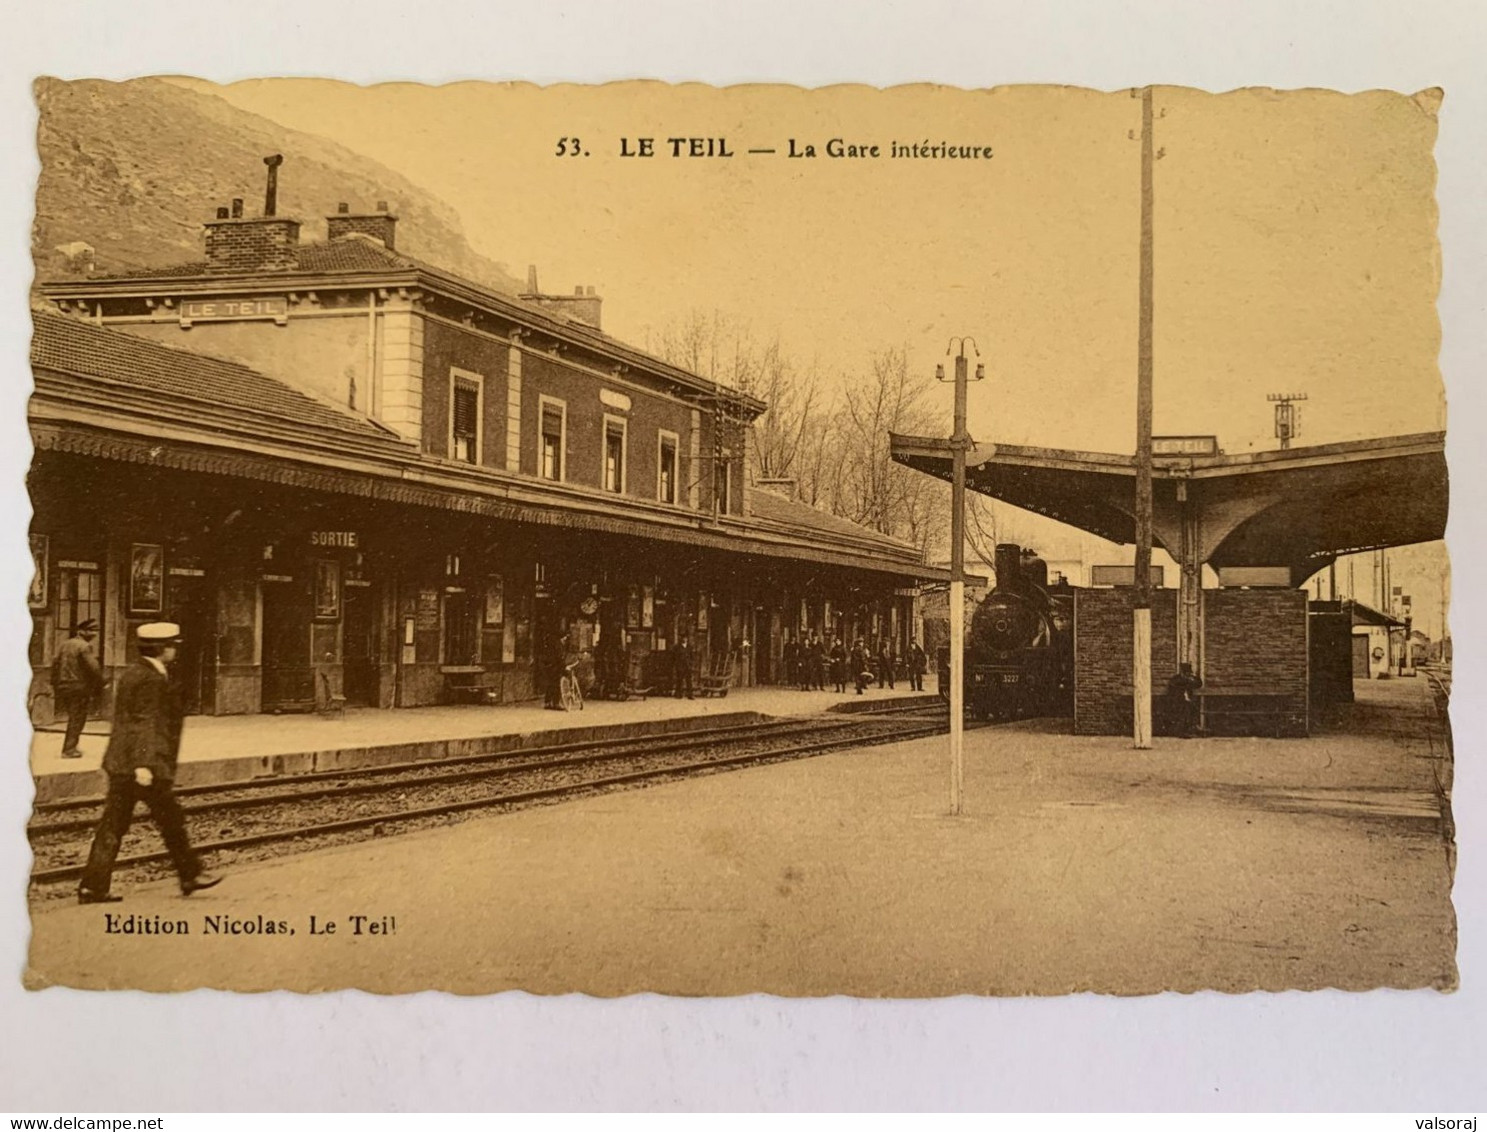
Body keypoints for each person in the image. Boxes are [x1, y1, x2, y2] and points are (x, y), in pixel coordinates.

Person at [77, 623, 222, 904]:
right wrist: (144, 765)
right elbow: (145, 723)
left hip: (124, 763)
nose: (174, 649)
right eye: (171, 645)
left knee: (114, 824)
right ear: (160, 648)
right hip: (143, 767)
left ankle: (92, 886)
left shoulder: (134, 674)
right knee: (170, 820)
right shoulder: (151, 680)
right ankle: (190, 874)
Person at [51, 618, 102, 758]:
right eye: (91, 630)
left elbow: (55, 664)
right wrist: (102, 682)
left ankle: (70, 747)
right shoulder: (84, 646)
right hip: (78, 687)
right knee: (77, 718)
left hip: (64, 686)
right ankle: (69, 749)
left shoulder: (64, 645)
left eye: (95, 631)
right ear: (81, 631)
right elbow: (94, 668)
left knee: (73, 716)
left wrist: (55, 684)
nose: (94, 634)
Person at [1165, 662, 1204, 738]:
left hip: (1187, 701)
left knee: (1192, 708)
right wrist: (1187, 680)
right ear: (1182, 672)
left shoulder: (1188, 679)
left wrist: (1194, 676)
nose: (1188, 674)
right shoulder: (1176, 679)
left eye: (1189, 673)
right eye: (1186, 673)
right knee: (1185, 710)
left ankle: (1191, 729)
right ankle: (1183, 731)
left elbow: (1199, 684)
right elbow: (1175, 686)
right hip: (1177, 702)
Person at [673, 635, 695, 699]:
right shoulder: (677, 647)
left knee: (689, 681)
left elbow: (692, 656)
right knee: (679, 680)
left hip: (687, 666)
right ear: (681, 639)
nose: (684, 639)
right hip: (680, 666)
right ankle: (679, 694)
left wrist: (690, 663)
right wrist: (677, 664)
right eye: (683, 638)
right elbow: (675, 657)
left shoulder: (689, 647)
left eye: (686, 638)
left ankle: (690, 695)